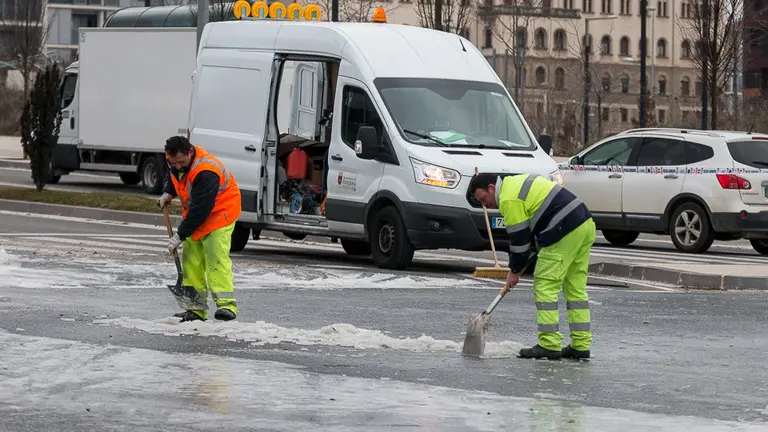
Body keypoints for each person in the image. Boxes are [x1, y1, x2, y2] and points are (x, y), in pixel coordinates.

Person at [469, 172, 595, 360]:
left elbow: (520, 240)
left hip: (562, 230)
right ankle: (580, 345)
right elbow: (532, 236)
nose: (485, 205)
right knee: (575, 289)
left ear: (491, 188)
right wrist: (519, 267)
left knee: (545, 286)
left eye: (484, 199)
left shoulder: (508, 199)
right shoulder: (516, 183)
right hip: (584, 224)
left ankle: (549, 344)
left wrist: (514, 271)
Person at [157, 136, 242, 323]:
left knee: (215, 258)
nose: (178, 166)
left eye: (181, 162)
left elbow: (201, 209)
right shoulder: (174, 161)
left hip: (220, 212)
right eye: (174, 162)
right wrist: (168, 192)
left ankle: (226, 305)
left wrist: (180, 235)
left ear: (189, 152)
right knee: (190, 261)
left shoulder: (206, 170)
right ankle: (195, 309)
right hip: (197, 214)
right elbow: (173, 175)